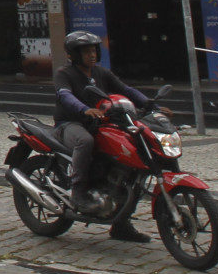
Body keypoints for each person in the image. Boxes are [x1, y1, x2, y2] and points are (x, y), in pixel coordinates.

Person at [55, 30, 163, 242]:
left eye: (94, 50)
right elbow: (65, 96)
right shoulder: (64, 74)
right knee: (85, 141)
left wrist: (153, 107)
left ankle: (121, 224)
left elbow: (127, 90)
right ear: (74, 54)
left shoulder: (101, 73)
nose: (92, 55)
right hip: (70, 124)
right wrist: (84, 110)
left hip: (100, 123)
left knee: (130, 156)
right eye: (86, 52)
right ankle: (78, 192)